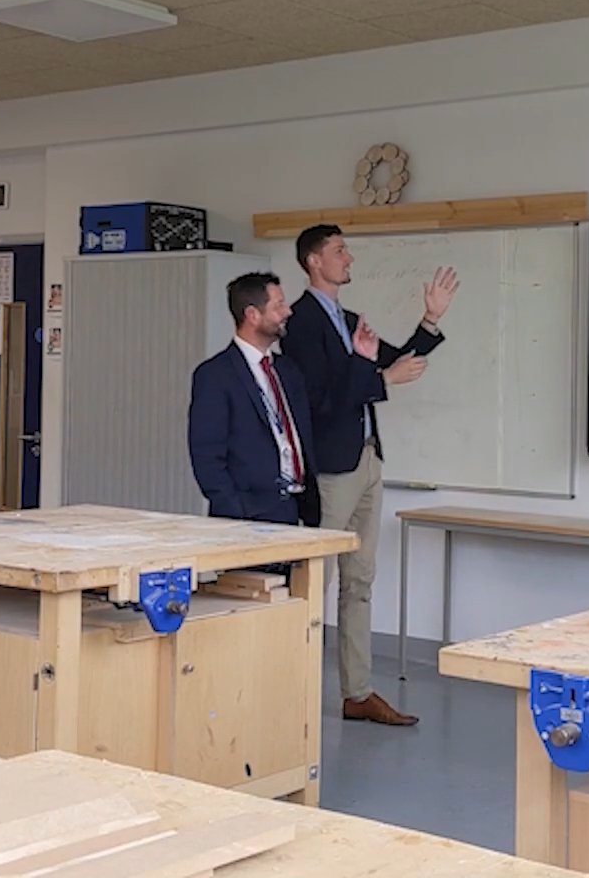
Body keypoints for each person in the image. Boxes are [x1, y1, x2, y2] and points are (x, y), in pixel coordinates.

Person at [281, 223, 458, 727]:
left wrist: (431, 318)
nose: (348, 258)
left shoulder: (350, 319)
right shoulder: (300, 323)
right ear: (314, 260)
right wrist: (379, 378)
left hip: (366, 459)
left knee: (359, 580)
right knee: (317, 581)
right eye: (339, 251)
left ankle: (356, 692)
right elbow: (318, 398)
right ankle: (290, 688)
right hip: (332, 468)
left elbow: (398, 361)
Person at [188, 272, 315, 527]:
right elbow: (206, 455)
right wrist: (234, 511)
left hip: (294, 510)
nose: (287, 311)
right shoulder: (216, 375)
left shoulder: (287, 370)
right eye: (278, 305)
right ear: (252, 315)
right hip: (248, 515)